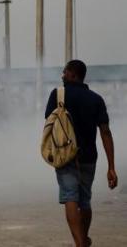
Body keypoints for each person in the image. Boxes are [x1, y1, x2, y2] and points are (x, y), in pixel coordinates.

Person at [45, 60, 118, 247]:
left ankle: (80, 244)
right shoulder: (96, 99)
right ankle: (83, 239)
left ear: (73, 75)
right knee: (84, 201)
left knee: (70, 196)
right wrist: (111, 167)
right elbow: (105, 132)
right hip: (88, 158)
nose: (62, 76)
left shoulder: (58, 95)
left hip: (64, 156)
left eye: (65, 72)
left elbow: (49, 124)